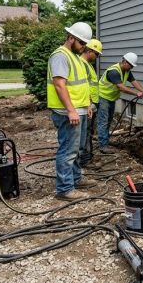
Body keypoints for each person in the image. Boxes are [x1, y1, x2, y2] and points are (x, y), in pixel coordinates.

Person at [47, 22, 96, 200]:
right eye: (82, 43)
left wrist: (87, 105)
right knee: (68, 150)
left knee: (76, 149)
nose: (84, 47)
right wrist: (71, 110)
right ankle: (65, 189)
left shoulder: (74, 56)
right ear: (71, 38)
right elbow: (60, 85)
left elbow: (80, 85)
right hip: (68, 113)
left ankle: (75, 178)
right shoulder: (60, 56)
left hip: (79, 110)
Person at [96, 52, 143, 154]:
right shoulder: (114, 71)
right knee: (103, 121)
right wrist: (136, 93)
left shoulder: (127, 71)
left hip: (111, 98)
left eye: (132, 66)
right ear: (124, 61)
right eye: (130, 65)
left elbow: (134, 82)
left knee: (108, 121)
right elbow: (121, 87)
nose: (131, 68)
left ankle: (104, 141)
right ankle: (103, 145)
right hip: (103, 97)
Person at [79, 39, 102, 167]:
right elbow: (83, 86)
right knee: (86, 132)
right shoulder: (82, 64)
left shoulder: (87, 64)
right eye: (96, 54)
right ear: (90, 50)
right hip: (88, 104)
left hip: (92, 103)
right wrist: (89, 103)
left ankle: (88, 157)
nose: (97, 57)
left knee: (89, 131)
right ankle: (85, 160)